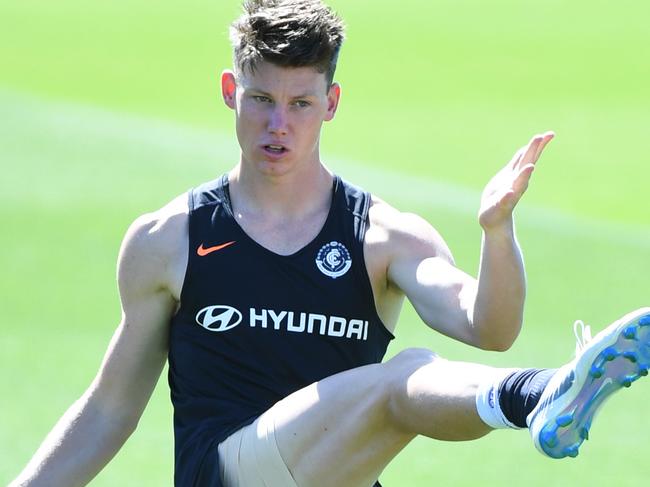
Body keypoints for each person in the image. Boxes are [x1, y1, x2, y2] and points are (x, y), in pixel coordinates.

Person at [11, 1, 650, 486]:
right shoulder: (169, 238)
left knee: (402, 385)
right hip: (228, 474)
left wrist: (496, 231)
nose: (278, 125)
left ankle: (548, 397)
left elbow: (490, 326)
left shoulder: (384, 237)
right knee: (401, 379)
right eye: (260, 99)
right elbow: (109, 411)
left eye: (300, 103)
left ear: (332, 103)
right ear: (231, 92)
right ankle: (540, 396)